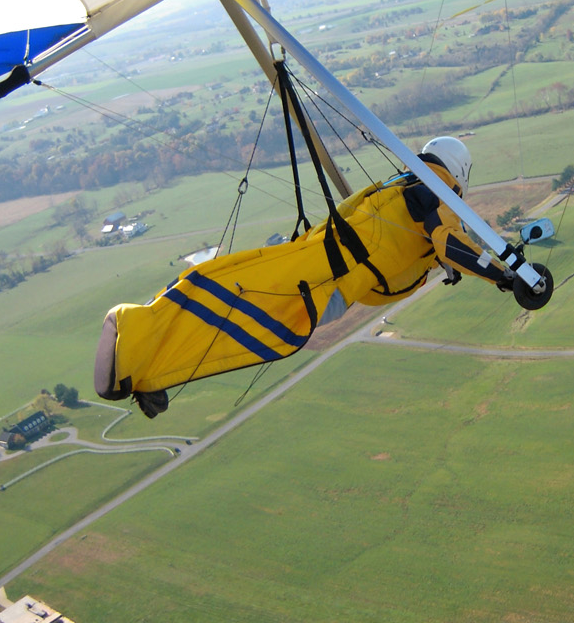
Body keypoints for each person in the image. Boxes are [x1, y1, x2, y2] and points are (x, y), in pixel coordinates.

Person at [94, 137, 546, 417]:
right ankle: (135, 340)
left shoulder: (402, 186)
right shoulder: (435, 193)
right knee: (260, 320)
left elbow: (417, 243)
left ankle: (146, 365)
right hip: (330, 280)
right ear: (459, 172)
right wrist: (507, 278)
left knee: (232, 286)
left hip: (316, 257)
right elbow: (450, 243)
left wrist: (441, 264)